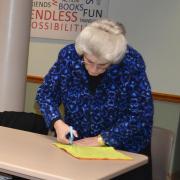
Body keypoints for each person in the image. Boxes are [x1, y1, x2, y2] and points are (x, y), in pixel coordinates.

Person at [36, 19, 153, 180]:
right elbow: (46, 93)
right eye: (89, 62)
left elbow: (141, 114)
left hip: (124, 150)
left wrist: (103, 139)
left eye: (103, 65)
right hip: (80, 147)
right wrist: (57, 122)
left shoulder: (131, 63)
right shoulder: (69, 56)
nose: (93, 70)